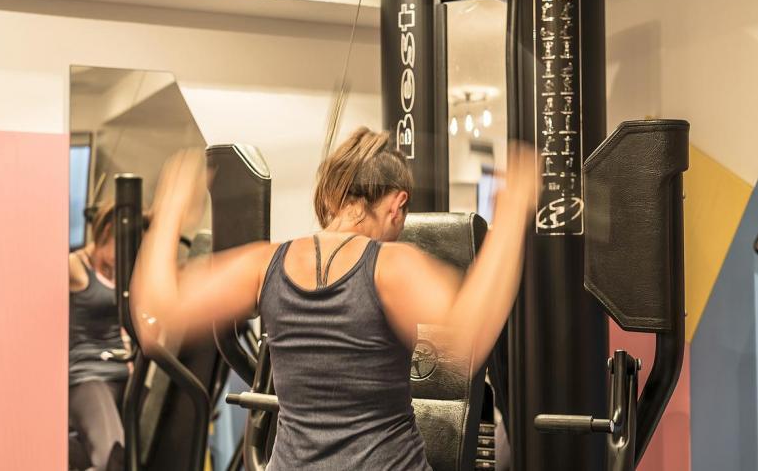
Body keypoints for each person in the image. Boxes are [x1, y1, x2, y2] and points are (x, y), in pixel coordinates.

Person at [131, 127, 537, 470]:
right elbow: (468, 338)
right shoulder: (391, 265)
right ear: (398, 204)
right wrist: (511, 216)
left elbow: (157, 318)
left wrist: (168, 214)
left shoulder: (263, 263)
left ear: (331, 197)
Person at [69, 201, 128, 471]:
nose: (124, 252)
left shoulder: (123, 270)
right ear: (106, 231)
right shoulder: (75, 266)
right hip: (88, 376)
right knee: (111, 457)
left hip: (124, 375)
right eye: (119, 243)